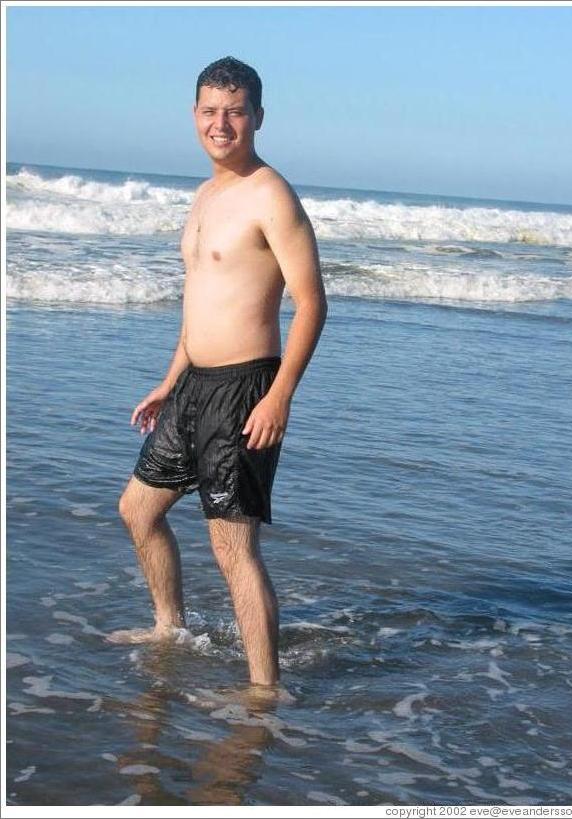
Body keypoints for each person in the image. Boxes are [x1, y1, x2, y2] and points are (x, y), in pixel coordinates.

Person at [109, 57, 327, 687]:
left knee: (233, 549)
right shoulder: (205, 195)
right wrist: (170, 377)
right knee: (137, 510)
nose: (221, 123)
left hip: (245, 389)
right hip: (194, 387)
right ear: (194, 116)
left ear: (257, 116)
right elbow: (200, 299)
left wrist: (280, 395)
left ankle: (264, 691)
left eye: (235, 110)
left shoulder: (270, 194)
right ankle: (168, 625)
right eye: (210, 110)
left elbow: (311, 301)